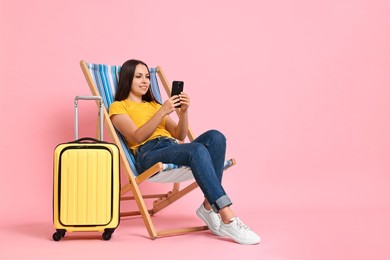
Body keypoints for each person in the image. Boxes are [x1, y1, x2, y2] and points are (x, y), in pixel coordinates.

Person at [109, 59, 261, 245]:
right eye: (138, 76)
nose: (145, 81)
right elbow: (137, 136)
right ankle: (227, 216)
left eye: (147, 76)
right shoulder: (118, 106)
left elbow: (179, 134)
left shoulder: (153, 106)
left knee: (216, 137)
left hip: (171, 147)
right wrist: (163, 111)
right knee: (196, 149)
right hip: (148, 154)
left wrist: (184, 113)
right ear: (127, 79)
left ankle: (207, 206)